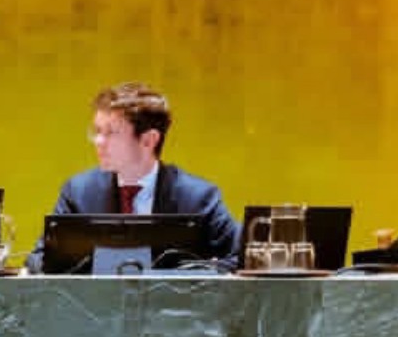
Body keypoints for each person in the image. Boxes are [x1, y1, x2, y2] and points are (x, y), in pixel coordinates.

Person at [27, 82, 240, 271]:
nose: (99, 142)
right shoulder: (79, 193)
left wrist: (192, 274)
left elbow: (241, 258)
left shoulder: (198, 197)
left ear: (148, 140)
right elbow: (38, 260)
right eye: (97, 131)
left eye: (111, 132)